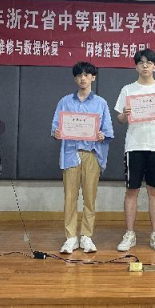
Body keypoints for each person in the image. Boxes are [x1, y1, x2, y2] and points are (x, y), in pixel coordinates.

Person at [115, 49, 155, 252]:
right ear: (136, 66)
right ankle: (129, 234)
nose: (145, 66)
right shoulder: (128, 89)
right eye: (141, 62)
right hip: (134, 146)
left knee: (154, 191)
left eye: (149, 62)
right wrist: (125, 114)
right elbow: (120, 119)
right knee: (131, 190)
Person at [51, 62, 113, 254]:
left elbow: (108, 130)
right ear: (75, 78)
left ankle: (86, 236)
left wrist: (102, 135)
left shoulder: (101, 103)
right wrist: (57, 133)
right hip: (70, 153)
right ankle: (71, 237)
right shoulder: (65, 101)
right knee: (70, 197)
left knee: (89, 197)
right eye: (79, 75)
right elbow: (55, 127)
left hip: (92, 154)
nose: (83, 78)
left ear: (93, 77)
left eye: (86, 75)